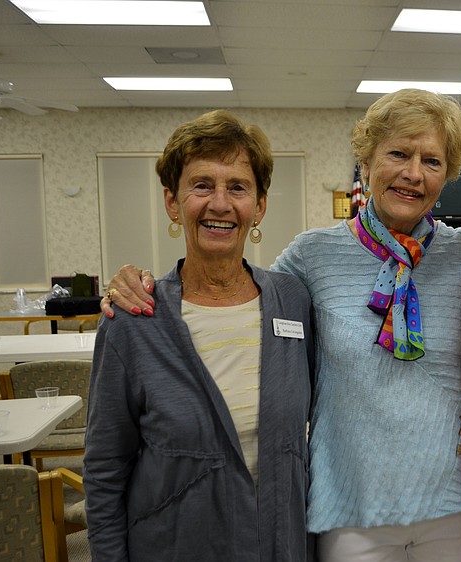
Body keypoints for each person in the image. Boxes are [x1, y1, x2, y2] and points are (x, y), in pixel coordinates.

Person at [100, 89, 461, 561]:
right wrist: (143, 282)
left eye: (432, 161)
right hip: (350, 505)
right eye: (398, 153)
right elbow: (236, 283)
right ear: (366, 161)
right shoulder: (309, 259)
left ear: (448, 176)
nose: (413, 174)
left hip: (453, 502)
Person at [83, 110, 315, 561]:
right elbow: (105, 468)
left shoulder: (293, 300)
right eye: (202, 185)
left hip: (279, 543)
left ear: (260, 205)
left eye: (238, 187)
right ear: (173, 202)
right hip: (176, 545)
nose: (220, 203)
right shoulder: (133, 319)